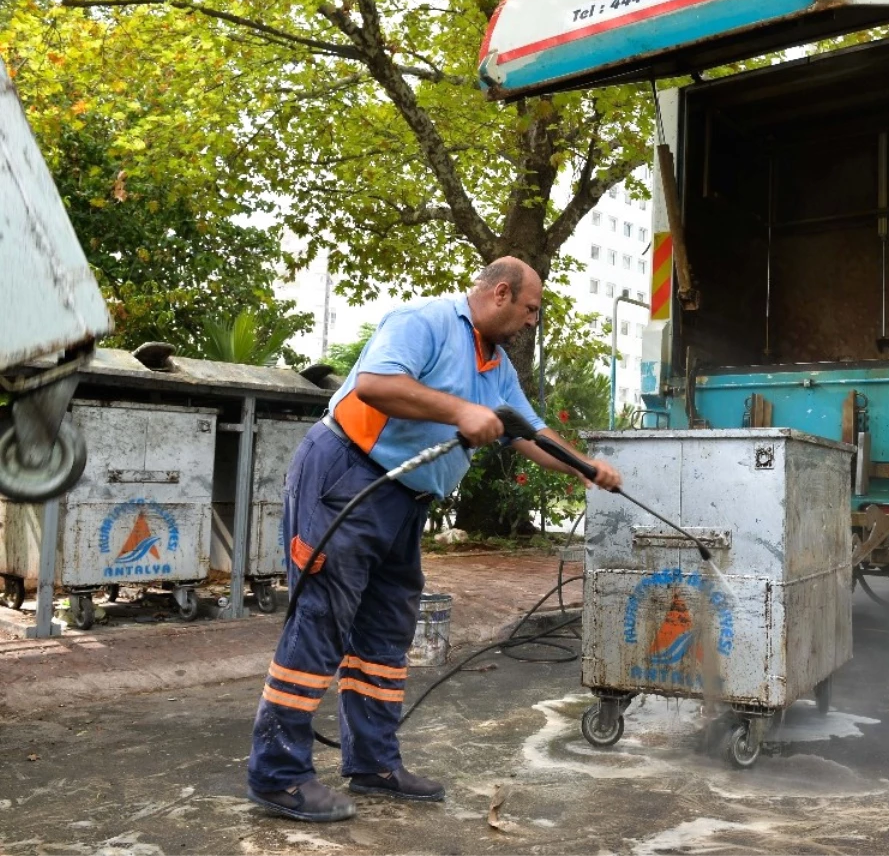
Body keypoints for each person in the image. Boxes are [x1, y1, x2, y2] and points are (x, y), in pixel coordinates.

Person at [246, 257, 622, 822]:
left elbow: (529, 431)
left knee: (384, 632)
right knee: (321, 623)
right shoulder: (424, 321)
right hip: (347, 475)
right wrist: (461, 410)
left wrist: (583, 467)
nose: (532, 322)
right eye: (530, 309)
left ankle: (372, 764)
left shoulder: (496, 367)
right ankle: (277, 776)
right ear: (500, 293)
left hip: (405, 500)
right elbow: (374, 384)